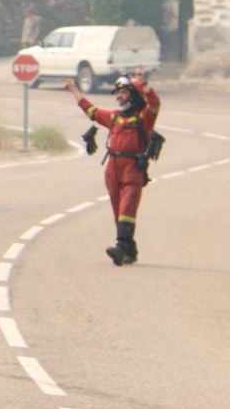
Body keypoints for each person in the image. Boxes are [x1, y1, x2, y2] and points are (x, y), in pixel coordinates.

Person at [63, 70, 161, 266]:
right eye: (118, 93)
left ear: (133, 94)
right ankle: (129, 250)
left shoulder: (143, 118)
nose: (119, 96)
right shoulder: (114, 117)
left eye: (123, 92)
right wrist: (74, 89)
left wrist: (146, 85)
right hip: (112, 170)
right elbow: (90, 110)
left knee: (127, 209)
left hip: (133, 168)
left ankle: (121, 247)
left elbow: (155, 105)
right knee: (119, 212)